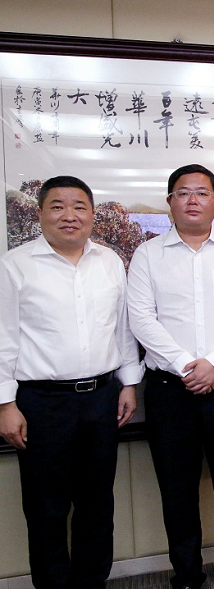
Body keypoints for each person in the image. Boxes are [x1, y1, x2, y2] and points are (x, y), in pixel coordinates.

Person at [126, 165, 214, 589]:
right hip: (170, 389)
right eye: (183, 192)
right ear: (170, 202)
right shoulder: (148, 255)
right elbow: (141, 319)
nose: (192, 200)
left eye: (202, 193)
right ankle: (186, 573)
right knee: (177, 486)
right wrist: (187, 365)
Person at [0, 175, 142, 589]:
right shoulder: (15, 265)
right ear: (40, 213)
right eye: (58, 206)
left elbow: (122, 329)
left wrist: (128, 383)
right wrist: (6, 404)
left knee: (97, 503)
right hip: (42, 403)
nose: (69, 215)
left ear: (92, 214)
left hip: (102, 397)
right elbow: (4, 338)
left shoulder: (110, 262)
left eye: (79, 206)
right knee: (46, 507)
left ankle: (92, 582)